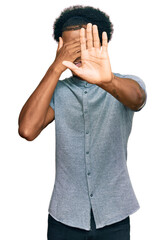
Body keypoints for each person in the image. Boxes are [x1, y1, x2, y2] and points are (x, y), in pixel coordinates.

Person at [18, 5, 147, 240]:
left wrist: (106, 81)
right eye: (69, 48)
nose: (77, 55)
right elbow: (27, 130)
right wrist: (56, 67)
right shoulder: (56, 91)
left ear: (101, 45)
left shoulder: (125, 84)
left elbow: (137, 99)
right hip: (65, 217)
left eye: (85, 45)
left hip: (114, 216)